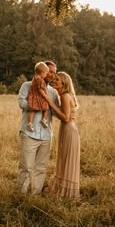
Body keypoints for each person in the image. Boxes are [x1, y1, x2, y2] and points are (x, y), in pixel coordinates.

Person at [17, 61, 60, 195]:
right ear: (43, 71)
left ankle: (34, 195)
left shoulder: (53, 91)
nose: (52, 75)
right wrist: (38, 104)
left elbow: (57, 110)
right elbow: (22, 103)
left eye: (54, 73)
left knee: (41, 168)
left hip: (46, 135)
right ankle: (21, 195)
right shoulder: (27, 85)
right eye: (50, 72)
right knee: (26, 167)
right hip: (29, 133)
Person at [43, 71, 80, 199]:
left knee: (66, 159)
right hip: (69, 130)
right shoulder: (65, 95)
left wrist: (50, 102)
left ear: (64, 83)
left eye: (57, 79)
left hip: (69, 130)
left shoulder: (65, 95)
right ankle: (64, 191)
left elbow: (66, 117)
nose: (54, 81)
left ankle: (65, 193)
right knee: (64, 159)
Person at [27, 62, 50, 132]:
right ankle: (44, 120)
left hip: (33, 97)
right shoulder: (40, 80)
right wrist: (46, 97)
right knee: (46, 108)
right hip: (39, 97)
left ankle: (30, 123)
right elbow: (40, 89)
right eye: (46, 73)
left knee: (32, 110)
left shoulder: (34, 78)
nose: (46, 75)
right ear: (42, 73)